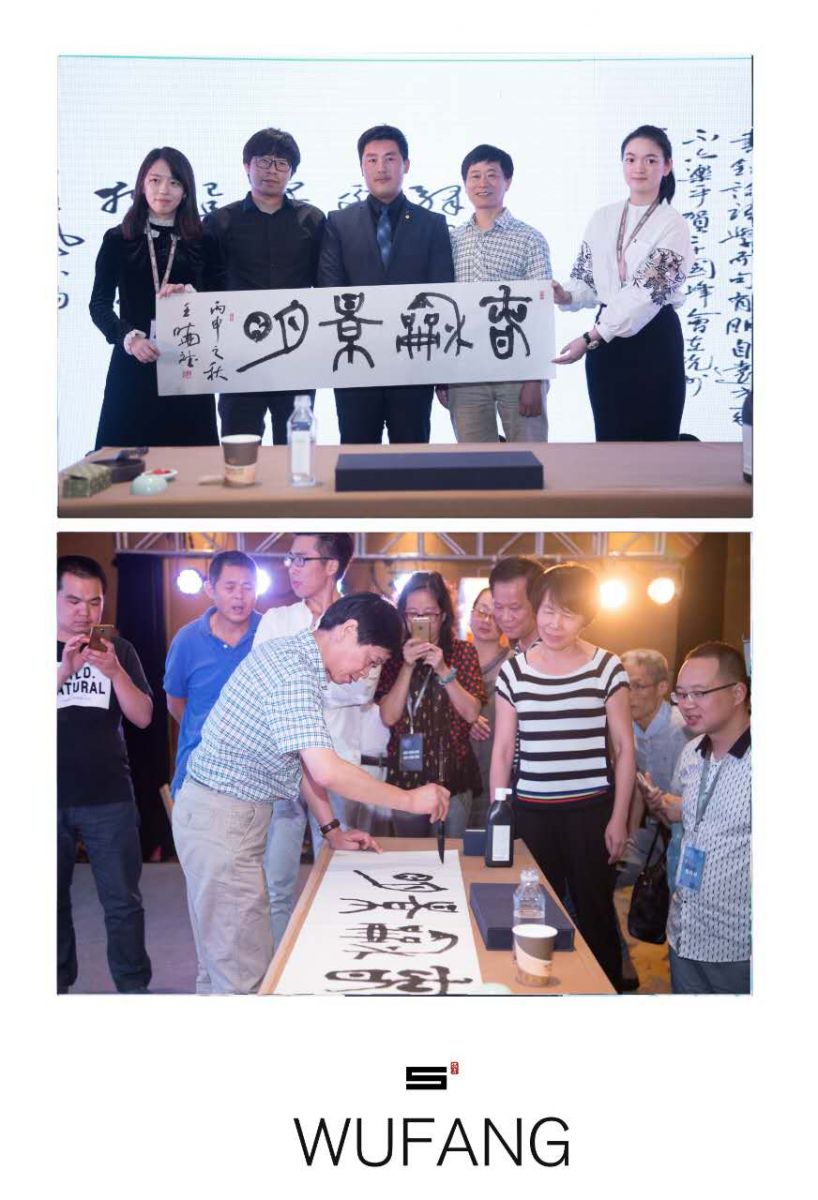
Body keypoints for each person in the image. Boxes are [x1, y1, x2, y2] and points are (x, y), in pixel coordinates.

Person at [172, 593, 450, 994]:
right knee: (243, 977)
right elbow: (325, 768)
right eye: (370, 661)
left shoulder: (297, 660)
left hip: (219, 819)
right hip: (222, 823)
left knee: (219, 967)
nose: (363, 674)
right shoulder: (294, 670)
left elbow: (300, 759)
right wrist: (410, 799)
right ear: (349, 630)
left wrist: (331, 829)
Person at [490, 563, 635, 991]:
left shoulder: (607, 667)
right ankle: (536, 991)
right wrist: (500, 813)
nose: (555, 624)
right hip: (532, 812)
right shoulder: (514, 672)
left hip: (592, 811)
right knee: (535, 914)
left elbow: (624, 748)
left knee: (595, 912)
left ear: (587, 617)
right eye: (548, 611)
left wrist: (619, 818)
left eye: (568, 614)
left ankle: (604, 993)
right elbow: (502, 750)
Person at [253, 533, 370, 948]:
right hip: (283, 767)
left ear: (332, 565)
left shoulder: (360, 618)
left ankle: (334, 957)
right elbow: (268, 685)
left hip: (337, 765)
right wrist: (327, 679)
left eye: (302, 559)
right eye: (290, 558)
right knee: (277, 880)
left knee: (338, 871)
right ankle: (279, 966)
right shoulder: (277, 619)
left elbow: (362, 689)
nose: (293, 568)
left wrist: (300, 682)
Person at [552, 125, 692, 441]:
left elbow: (647, 294)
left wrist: (590, 338)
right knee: (610, 445)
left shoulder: (673, 225)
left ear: (667, 166)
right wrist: (566, 295)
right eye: (631, 159)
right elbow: (586, 279)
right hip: (605, 346)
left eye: (650, 160)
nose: (639, 168)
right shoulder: (603, 217)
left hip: (654, 341)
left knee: (657, 448)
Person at [317, 123, 455, 444]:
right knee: (356, 457)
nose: (381, 167)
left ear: (406, 165)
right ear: (362, 167)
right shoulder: (338, 222)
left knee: (412, 458)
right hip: (355, 364)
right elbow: (329, 289)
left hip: (413, 365)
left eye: (390, 158)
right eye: (372, 159)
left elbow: (442, 294)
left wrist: (443, 371)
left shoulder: (432, 224)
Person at [57, 555, 153, 994]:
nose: (85, 611)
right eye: (73, 600)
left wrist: (114, 673)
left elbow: (143, 717)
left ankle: (133, 987)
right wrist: (63, 672)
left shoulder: (119, 650)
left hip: (109, 796)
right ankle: (55, 986)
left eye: (94, 602)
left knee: (122, 903)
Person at [90, 146, 219, 449]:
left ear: (186, 191)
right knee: (123, 460)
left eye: (174, 182)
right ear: (141, 185)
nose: (164, 190)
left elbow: (220, 299)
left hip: (187, 363)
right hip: (134, 361)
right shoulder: (118, 238)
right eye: (155, 180)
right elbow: (99, 304)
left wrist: (192, 296)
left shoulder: (203, 240)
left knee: (193, 462)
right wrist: (129, 337)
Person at [204, 127, 325, 442]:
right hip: (238, 357)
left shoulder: (312, 220)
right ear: (247, 165)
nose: (272, 170)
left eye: (281, 163)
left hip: (295, 351)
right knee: (240, 449)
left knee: (296, 447)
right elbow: (207, 287)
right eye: (263, 161)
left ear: (292, 172)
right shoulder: (220, 222)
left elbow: (325, 285)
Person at [644, 642, 751, 994]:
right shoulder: (691, 752)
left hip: (739, 946)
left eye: (699, 693)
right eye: (681, 694)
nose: (687, 704)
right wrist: (663, 806)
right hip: (683, 931)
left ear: (737, 693)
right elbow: (687, 821)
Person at [437, 144, 551, 443]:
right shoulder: (451, 240)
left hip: (518, 370)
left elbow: (541, 313)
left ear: (508, 181)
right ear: (465, 184)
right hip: (465, 373)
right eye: (474, 176)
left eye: (492, 175)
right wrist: (441, 374)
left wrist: (534, 378)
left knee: (530, 457)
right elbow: (443, 309)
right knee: (474, 463)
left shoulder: (529, 239)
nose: (482, 183)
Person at [376, 572, 486, 838]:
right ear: (403, 615)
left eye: (429, 614)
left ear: (443, 615)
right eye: (412, 613)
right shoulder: (392, 656)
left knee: (449, 855)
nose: (420, 620)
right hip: (406, 779)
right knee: (409, 855)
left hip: (452, 778)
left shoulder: (463, 652)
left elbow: (471, 712)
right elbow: (389, 716)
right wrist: (406, 666)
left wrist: (443, 670)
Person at [164, 551, 261, 799]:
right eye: (230, 587)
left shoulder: (269, 634)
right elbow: (175, 702)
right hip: (198, 774)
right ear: (210, 589)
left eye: (248, 587)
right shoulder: (187, 639)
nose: (239, 595)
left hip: (257, 778)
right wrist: (209, 732)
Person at [622, 647, 692, 886]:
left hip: (687, 831)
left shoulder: (684, 730)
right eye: (624, 686)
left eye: (638, 686)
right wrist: (630, 836)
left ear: (662, 687)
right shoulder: (629, 729)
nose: (628, 695)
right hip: (655, 827)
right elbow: (638, 782)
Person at [467, 587, 513, 826]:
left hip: (498, 773)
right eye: (481, 611)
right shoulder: (450, 661)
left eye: (494, 616)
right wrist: (466, 717)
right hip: (457, 778)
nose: (486, 621)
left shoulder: (514, 664)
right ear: (470, 614)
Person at [488, 555, 543, 654]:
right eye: (498, 607)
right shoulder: (514, 654)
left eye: (515, 608)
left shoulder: (554, 656)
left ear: (538, 603)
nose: (506, 618)